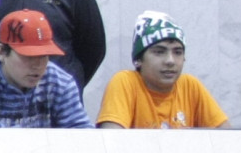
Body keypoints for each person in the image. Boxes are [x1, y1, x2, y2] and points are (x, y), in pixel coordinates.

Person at [97, 12, 230, 130]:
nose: (170, 61)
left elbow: (227, 141)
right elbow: (112, 143)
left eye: (178, 52)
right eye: (159, 52)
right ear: (138, 60)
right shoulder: (125, 82)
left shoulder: (190, 86)